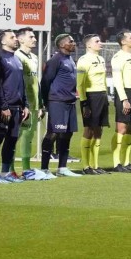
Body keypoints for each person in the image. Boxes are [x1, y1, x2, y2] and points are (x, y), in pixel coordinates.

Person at [0, 29, 31, 181]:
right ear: (3, 41)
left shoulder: (17, 59)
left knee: (11, 141)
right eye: (12, 37)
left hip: (17, 107)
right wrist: (3, 106)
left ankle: (6, 173)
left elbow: (22, 84)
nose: (15, 39)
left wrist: (25, 104)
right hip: (4, 108)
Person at [40, 34, 81, 178]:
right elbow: (45, 82)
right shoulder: (55, 60)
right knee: (53, 133)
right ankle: (44, 168)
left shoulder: (70, 59)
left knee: (67, 134)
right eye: (71, 41)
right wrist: (45, 103)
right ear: (62, 44)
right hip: (57, 101)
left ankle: (62, 167)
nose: (74, 43)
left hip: (69, 101)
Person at [14, 27, 47, 180]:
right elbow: (17, 83)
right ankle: (10, 169)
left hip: (34, 104)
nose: (34, 39)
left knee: (28, 136)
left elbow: (36, 82)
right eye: (31, 37)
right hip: (22, 104)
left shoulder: (34, 57)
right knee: (16, 136)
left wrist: (40, 104)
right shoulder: (16, 56)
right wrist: (22, 104)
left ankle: (26, 169)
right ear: (21, 39)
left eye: (34, 37)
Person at [110, 30, 131, 172]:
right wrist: (124, 99)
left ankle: (126, 162)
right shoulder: (118, 57)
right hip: (125, 93)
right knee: (121, 128)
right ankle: (116, 163)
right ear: (123, 41)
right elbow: (117, 80)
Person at [76, 34, 110, 175]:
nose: (100, 43)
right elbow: (80, 84)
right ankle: (86, 166)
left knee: (99, 130)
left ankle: (95, 165)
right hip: (91, 97)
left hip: (102, 95)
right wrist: (84, 103)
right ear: (88, 45)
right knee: (89, 129)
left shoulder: (101, 59)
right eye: (97, 41)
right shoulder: (83, 60)